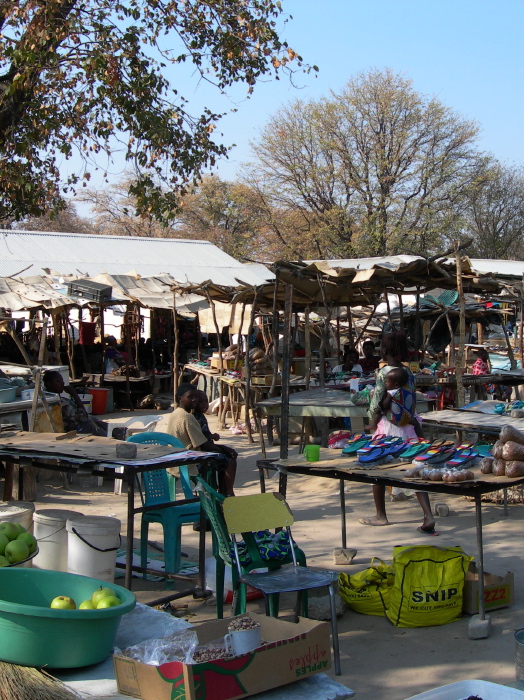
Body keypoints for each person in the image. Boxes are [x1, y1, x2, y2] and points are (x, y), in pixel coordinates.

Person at [359, 331, 436, 535]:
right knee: (415, 469)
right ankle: (428, 514)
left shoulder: (385, 373)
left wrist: (372, 422)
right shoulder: (408, 372)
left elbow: (377, 405)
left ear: (383, 350)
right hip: (409, 425)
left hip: (388, 427)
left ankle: (380, 515)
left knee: (376, 469)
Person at [166, 383, 237, 496]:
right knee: (228, 459)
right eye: (190, 397)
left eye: (196, 397)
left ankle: (223, 492)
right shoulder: (187, 417)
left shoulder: (175, 413)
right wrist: (224, 449)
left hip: (177, 456)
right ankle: (228, 493)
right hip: (190, 460)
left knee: (224, 456)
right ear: (180, 398)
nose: (194, 400)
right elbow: (204, 445)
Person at [43, 370, 107, 436]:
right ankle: (109, 438)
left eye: (62, 381)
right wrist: (74, 394)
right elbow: (83, 416)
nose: (62, 383)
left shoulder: (60, 400)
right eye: (58, 381)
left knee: (95, 420)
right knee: (90, 424)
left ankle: (113, 433)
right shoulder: (57, 403)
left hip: (76, 426)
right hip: (71, 431)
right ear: (49, 384)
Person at [378, 367, 423, 438]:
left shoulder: (391, 392)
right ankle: (422, 439)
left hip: (397, 419)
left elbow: (385, 405)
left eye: (387, 382)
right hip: (409, 416)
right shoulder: (405, 390)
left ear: (396, 385)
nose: (385, 383)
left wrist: (385, 399)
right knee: (416, 424)